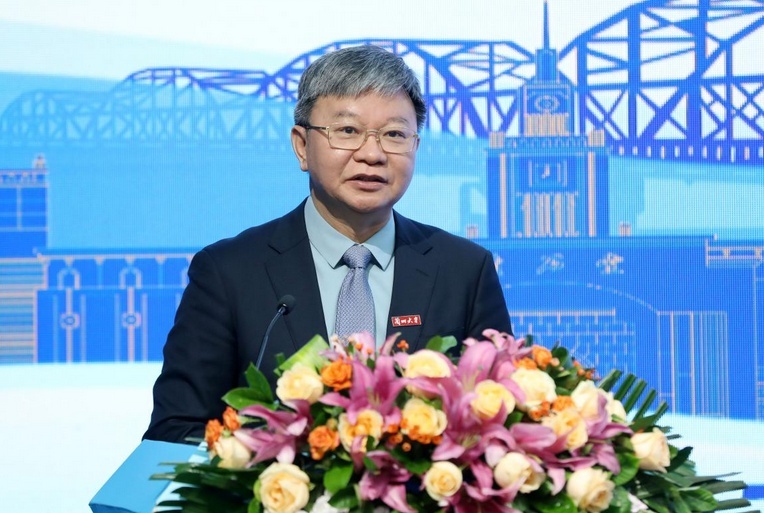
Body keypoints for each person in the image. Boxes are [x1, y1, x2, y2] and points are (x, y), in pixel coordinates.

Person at [144, 45, 512, 443]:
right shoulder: (229, 272)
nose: (372, 154)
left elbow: (501, 421)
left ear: (415, 148)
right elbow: (176, 431)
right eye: (348, 131)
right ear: (302, 146)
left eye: (394, 135)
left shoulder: (464, 271)